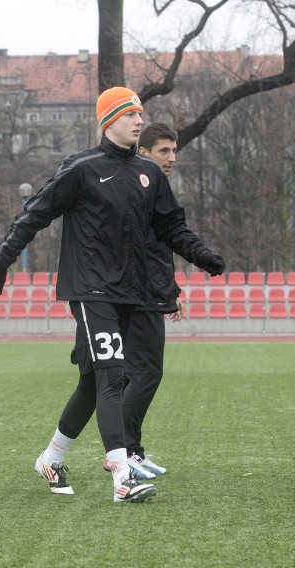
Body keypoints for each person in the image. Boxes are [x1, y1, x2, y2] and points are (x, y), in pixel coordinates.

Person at [0, 87, 225, 502]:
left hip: (129, 290)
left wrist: (202, 255)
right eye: (131, 114)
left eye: (140, 114)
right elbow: (35, 213)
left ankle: (51, 458)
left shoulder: (148, 173)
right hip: (90, 287)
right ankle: (122, 475)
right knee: (114, 375)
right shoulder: (81, 168)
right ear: (109, 119)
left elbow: (171, 227)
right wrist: (3, 258)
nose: (138, 121)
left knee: (93, 384)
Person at [116, 122, 184, 478]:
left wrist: (171, 289)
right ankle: (123, 453)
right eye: (163, 151)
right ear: (143, 152)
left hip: (143, 293)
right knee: (146, 374)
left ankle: (132, 452)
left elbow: (159, 248)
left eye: (174, 150)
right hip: (137, 295)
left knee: (134, 376)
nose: (171, 158)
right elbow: (147, 251)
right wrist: (167, 292)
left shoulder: (153, 187)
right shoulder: (138, 188)